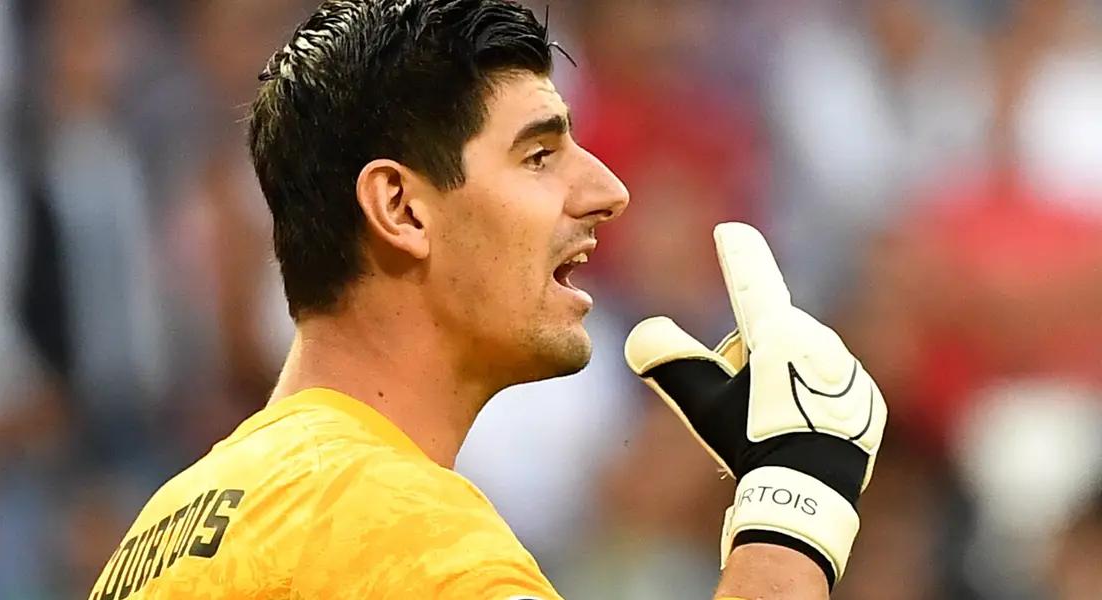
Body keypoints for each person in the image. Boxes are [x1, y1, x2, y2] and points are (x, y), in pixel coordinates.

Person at [87, 1, 886, 599]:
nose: (607, 191)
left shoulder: (164, 527)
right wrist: (789, 514)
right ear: (402, 209)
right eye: (539, 154)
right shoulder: (396, 530)